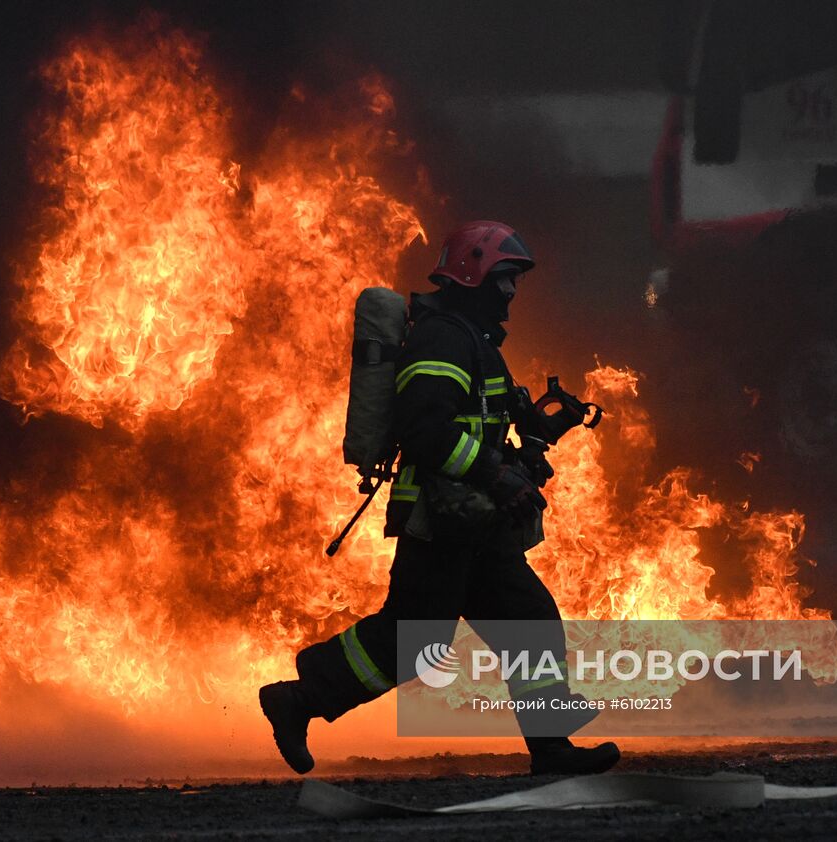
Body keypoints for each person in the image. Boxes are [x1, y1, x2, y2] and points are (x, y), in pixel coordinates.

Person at [259, 220, 620, 776]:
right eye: (504, 279)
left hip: (474, 524)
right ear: (473, 273)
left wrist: (537, 430)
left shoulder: (475, 343)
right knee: (415, 640)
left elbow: (488, 417)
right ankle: (297, 701)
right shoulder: (444, 338)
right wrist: (497, 476)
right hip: (441, 521)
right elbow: (427, 429)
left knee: (529, 619)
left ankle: (552, 750)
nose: (511, 292)